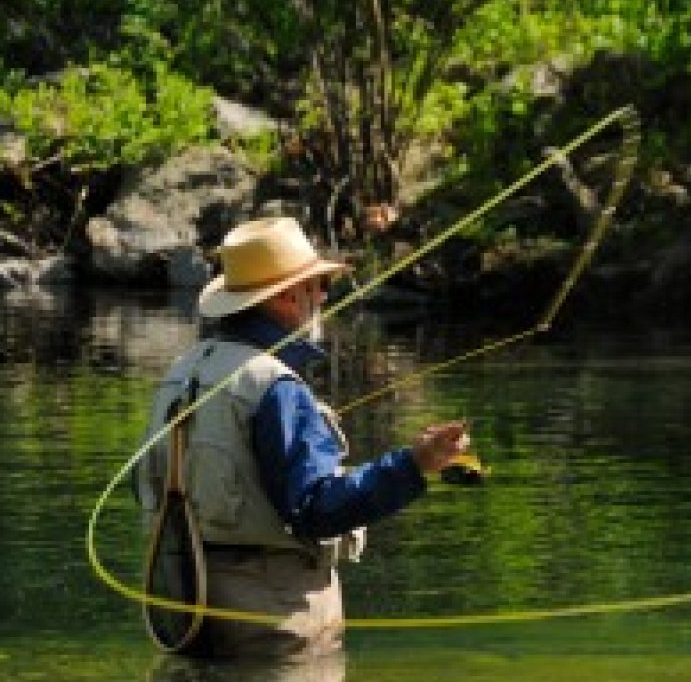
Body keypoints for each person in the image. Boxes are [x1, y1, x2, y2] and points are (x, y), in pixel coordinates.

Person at [136, 216, 469, 659]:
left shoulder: (182, 372)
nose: (324, 297)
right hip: (273, 618)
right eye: (318, 286)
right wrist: (414, 465)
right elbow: (318, 509)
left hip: (183, 607)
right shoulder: (275, 386)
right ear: (289, 298)